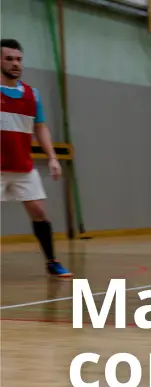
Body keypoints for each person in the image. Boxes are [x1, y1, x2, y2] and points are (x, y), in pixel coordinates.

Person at [1, 38, 72, 278]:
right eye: (9, 59)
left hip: (22, 166)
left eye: (18, 59)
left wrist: (52, 158)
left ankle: (52, 262)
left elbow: (40, 127)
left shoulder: (33, 94)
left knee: (40, 212)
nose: (15, 64)